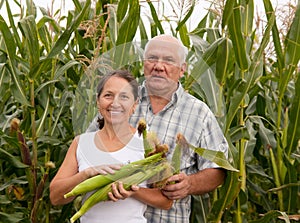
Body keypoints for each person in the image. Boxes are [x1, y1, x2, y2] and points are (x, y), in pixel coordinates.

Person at [87, 35, 229, 222]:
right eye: (152, 58)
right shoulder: (117, 102)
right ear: (144, 63)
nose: (158, 66)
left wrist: (189, 184)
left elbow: (217, 169)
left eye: (169, 60)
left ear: (182, 70)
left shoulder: (199, 113)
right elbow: (87, 151)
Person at [50, 70, 173, 223]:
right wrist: (86, 174)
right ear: (98, 101)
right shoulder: (81, 143)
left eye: (124, 97)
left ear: (134, 105)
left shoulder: (147, 142)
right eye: (108, 95)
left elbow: (166, 201)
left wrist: (132, 190)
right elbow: (55, 197)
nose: (115, 103)